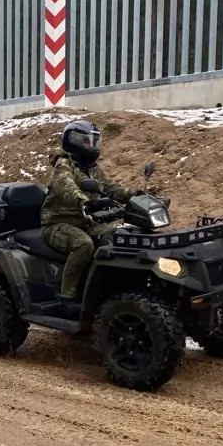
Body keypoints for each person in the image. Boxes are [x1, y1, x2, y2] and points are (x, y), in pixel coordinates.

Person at [40, 121, 135, 310]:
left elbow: (109, 188)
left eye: (94, 141)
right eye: (86, 141)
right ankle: (67, 296)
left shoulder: (92, 168)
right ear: (73, 142)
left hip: (85, 222)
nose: (91, 146)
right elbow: (66, 187)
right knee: (83, 245)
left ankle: (100, 288)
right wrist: (84, 202)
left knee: (112, 237)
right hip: (57, 223)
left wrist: (134, 195)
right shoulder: (64, 165)